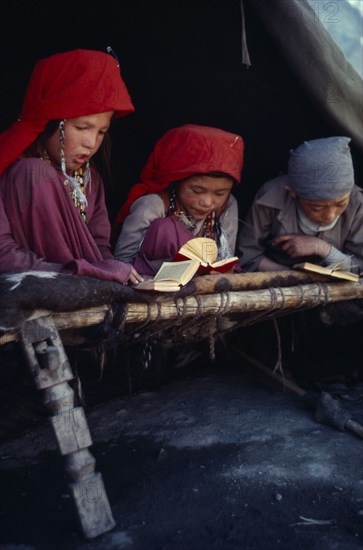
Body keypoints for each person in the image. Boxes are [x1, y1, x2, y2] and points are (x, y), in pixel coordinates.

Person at [0, 48, 144, 285]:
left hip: (88, 283)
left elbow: (99, 247)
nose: (91, 144)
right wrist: (82, 271)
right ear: (49, 121)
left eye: (101, 132)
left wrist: (111, 268)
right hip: (40, 281)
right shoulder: (14, 167)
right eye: (81, 128)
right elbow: (4, 256)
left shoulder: (89, 176)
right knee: (36, 173)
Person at [113, 124, 244, 277]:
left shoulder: (227, 205)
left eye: (220, 193)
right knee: (165, 228)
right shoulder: (153, 205)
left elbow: (225, 260)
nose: (207, 202)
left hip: (205, 286)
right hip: (150, 281)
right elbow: (123, 261)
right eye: (197, 191)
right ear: (177, 181)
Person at [237, 136, 363, 274]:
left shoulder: (357, 203)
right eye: (316, 208)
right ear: (292, 193)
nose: (330, 216)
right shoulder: (270, 198)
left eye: (340, 204)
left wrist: (322, 248)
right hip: (275, 281)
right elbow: (247, 255)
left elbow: (359, 267)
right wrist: (290, 275)